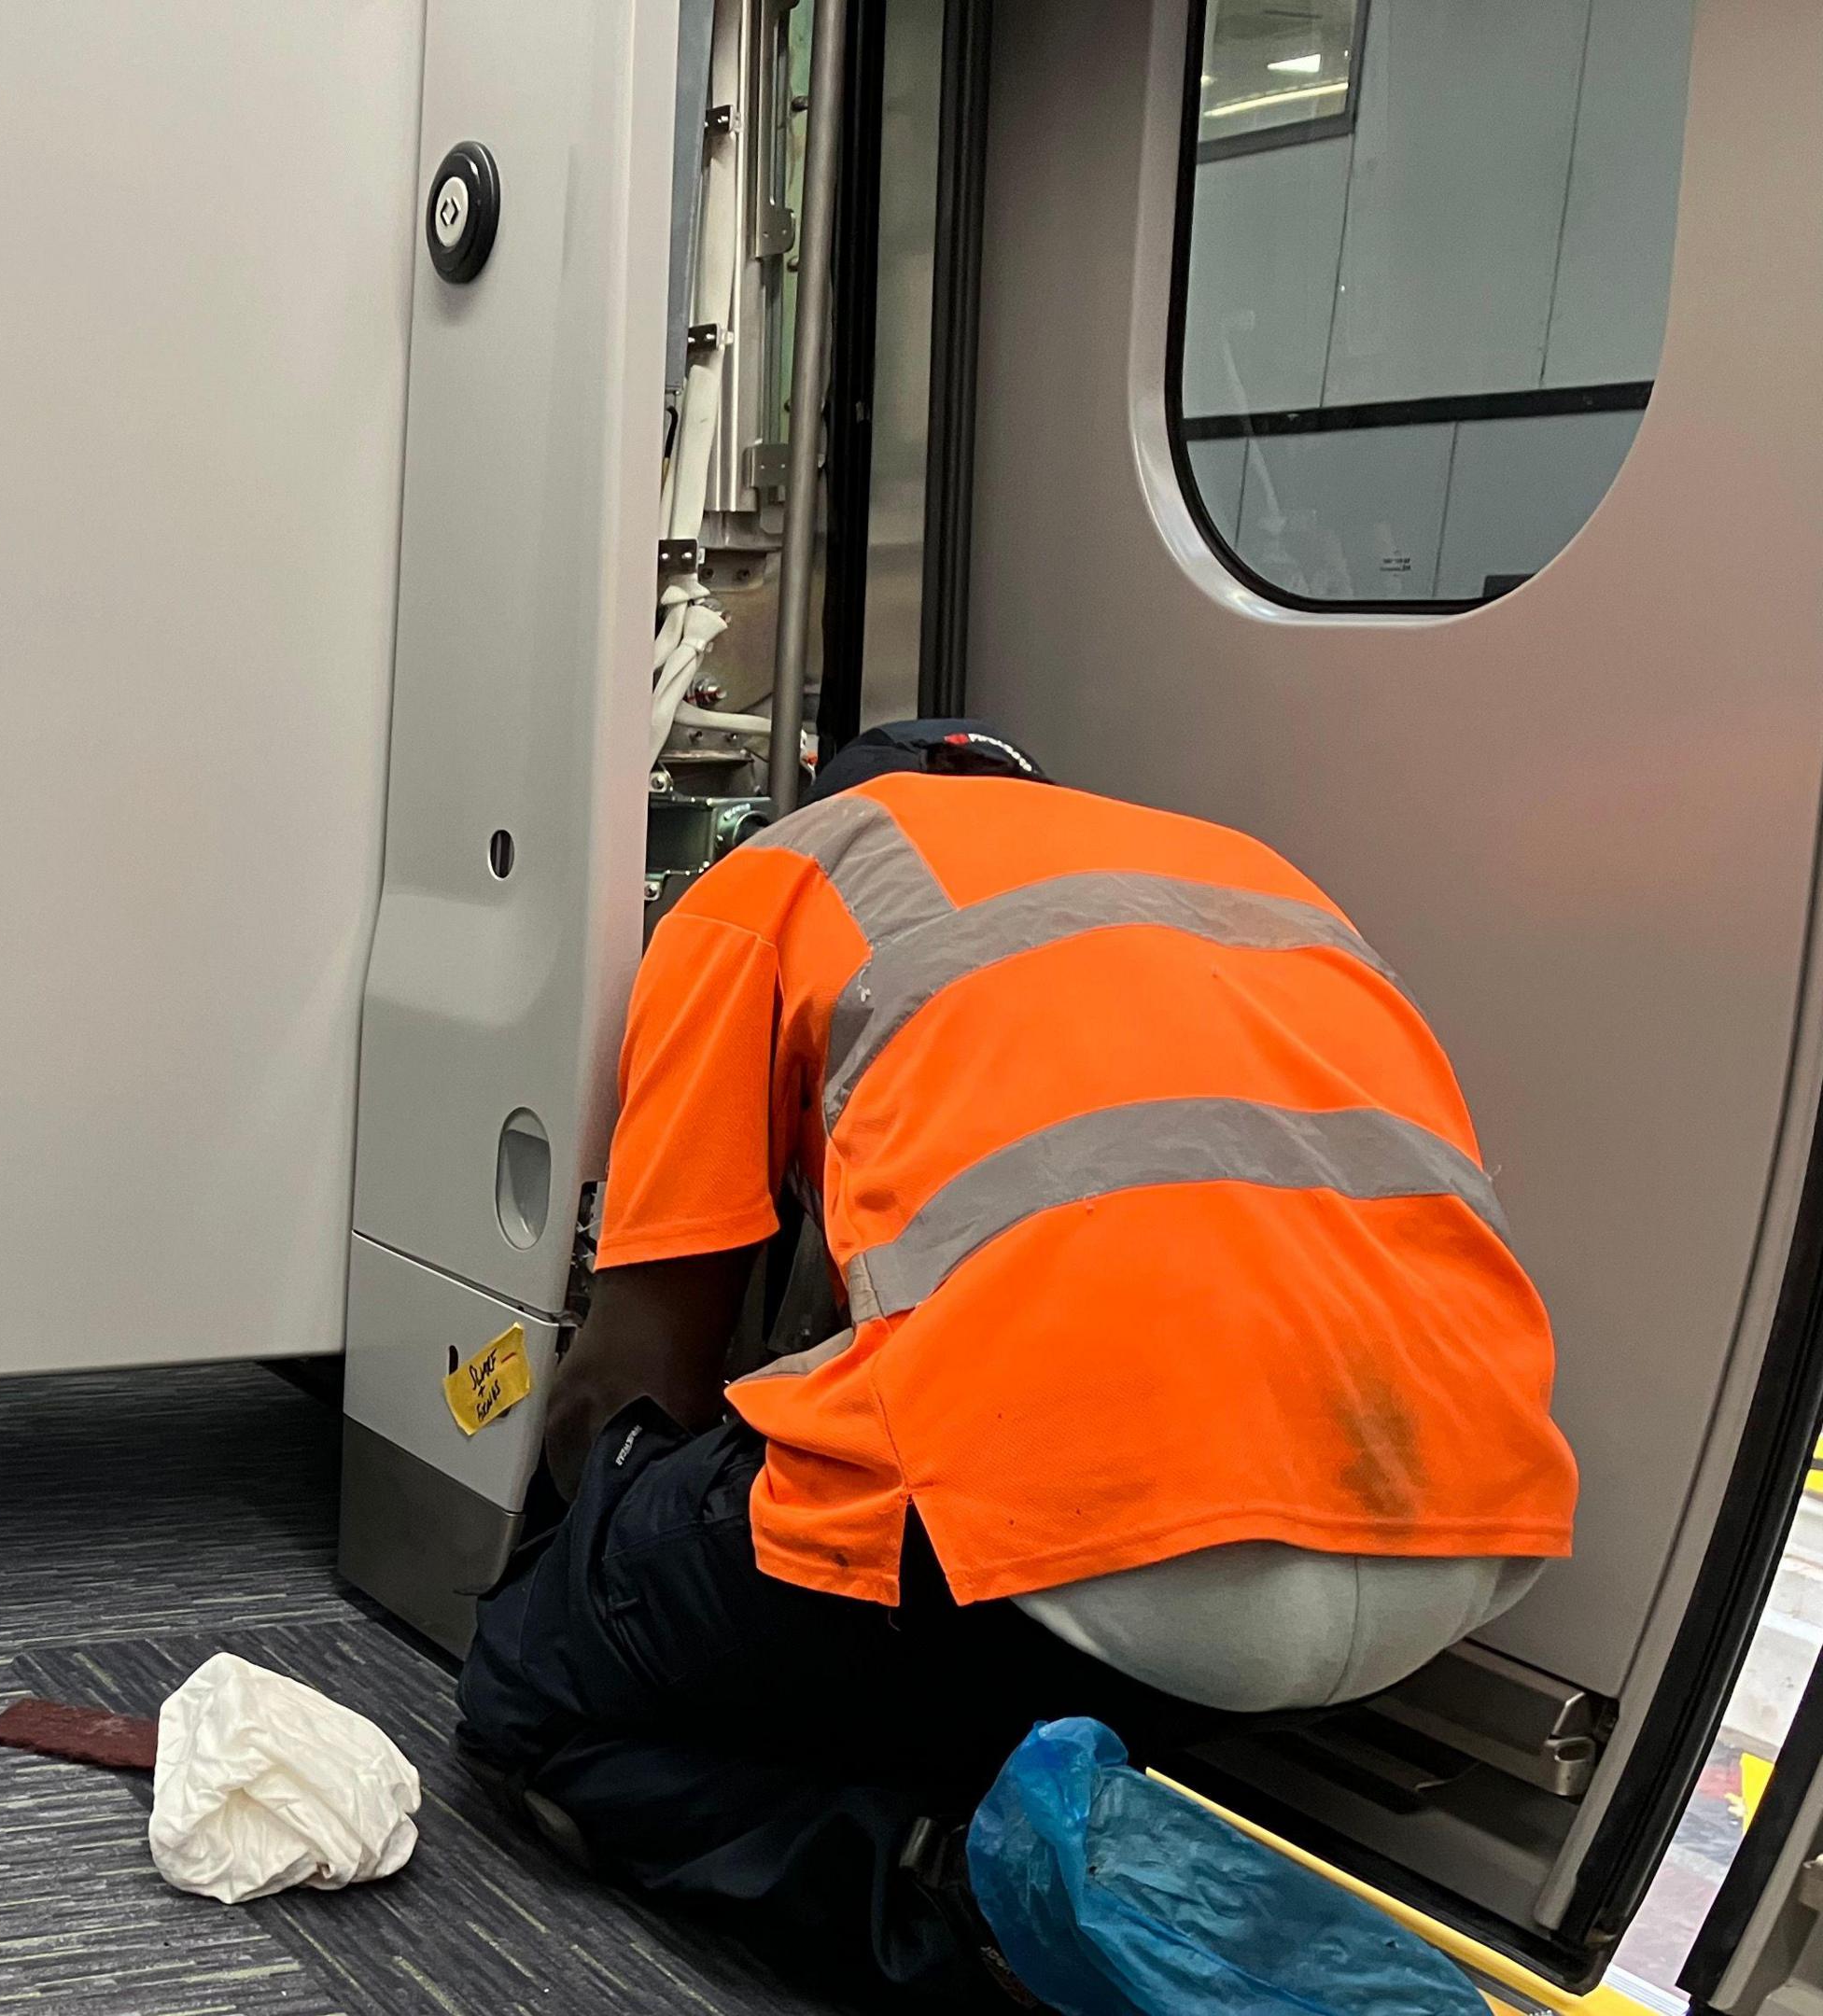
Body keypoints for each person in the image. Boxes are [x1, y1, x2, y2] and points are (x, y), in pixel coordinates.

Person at [457, 721, 1578, 2006]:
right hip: (1457, 1542)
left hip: (1097, 1532)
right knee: (904, 1641)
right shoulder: (1250, 876)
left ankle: (961, 1896)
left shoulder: (777, 876)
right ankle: (1130, 1864)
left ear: (830, 802)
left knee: (542, 1691)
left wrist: (564, 1568)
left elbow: (636, 1374)